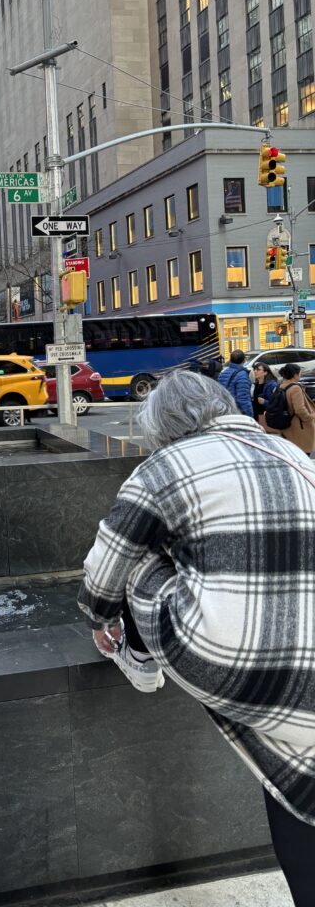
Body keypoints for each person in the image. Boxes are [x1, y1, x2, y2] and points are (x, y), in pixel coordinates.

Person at [78, 371, 315, 903]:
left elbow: (102, 575)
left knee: (140, 558)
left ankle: (137, 659)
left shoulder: (162, 468)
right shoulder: (296, 457)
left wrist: (100, 621)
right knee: (297, 781)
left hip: (232, 658)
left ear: (163, 428)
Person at [267, 363, 315, 454]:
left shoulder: (280, 386)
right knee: (303, 454)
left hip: (286, 425)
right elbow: (300, 409)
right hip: (299, 427)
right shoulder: (295, 388)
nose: (300, 376)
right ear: (295, 375)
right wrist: (309, 418)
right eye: (300, 373)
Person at [217, 349, 253, 416]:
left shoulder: (223, 373)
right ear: (244, 360)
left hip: (225, 411)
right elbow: (243, 399)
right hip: (236, 412)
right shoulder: (242, 375)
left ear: (230, 360)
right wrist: (250, 416)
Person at [251, 362, 277, 428]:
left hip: (266, 417)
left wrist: (264, 402)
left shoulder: (272, 385)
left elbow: (277, 403)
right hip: (256, 416)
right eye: (255, 369)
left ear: (265, 372)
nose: (255, 371)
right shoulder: (255, 384)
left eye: (258, 370)